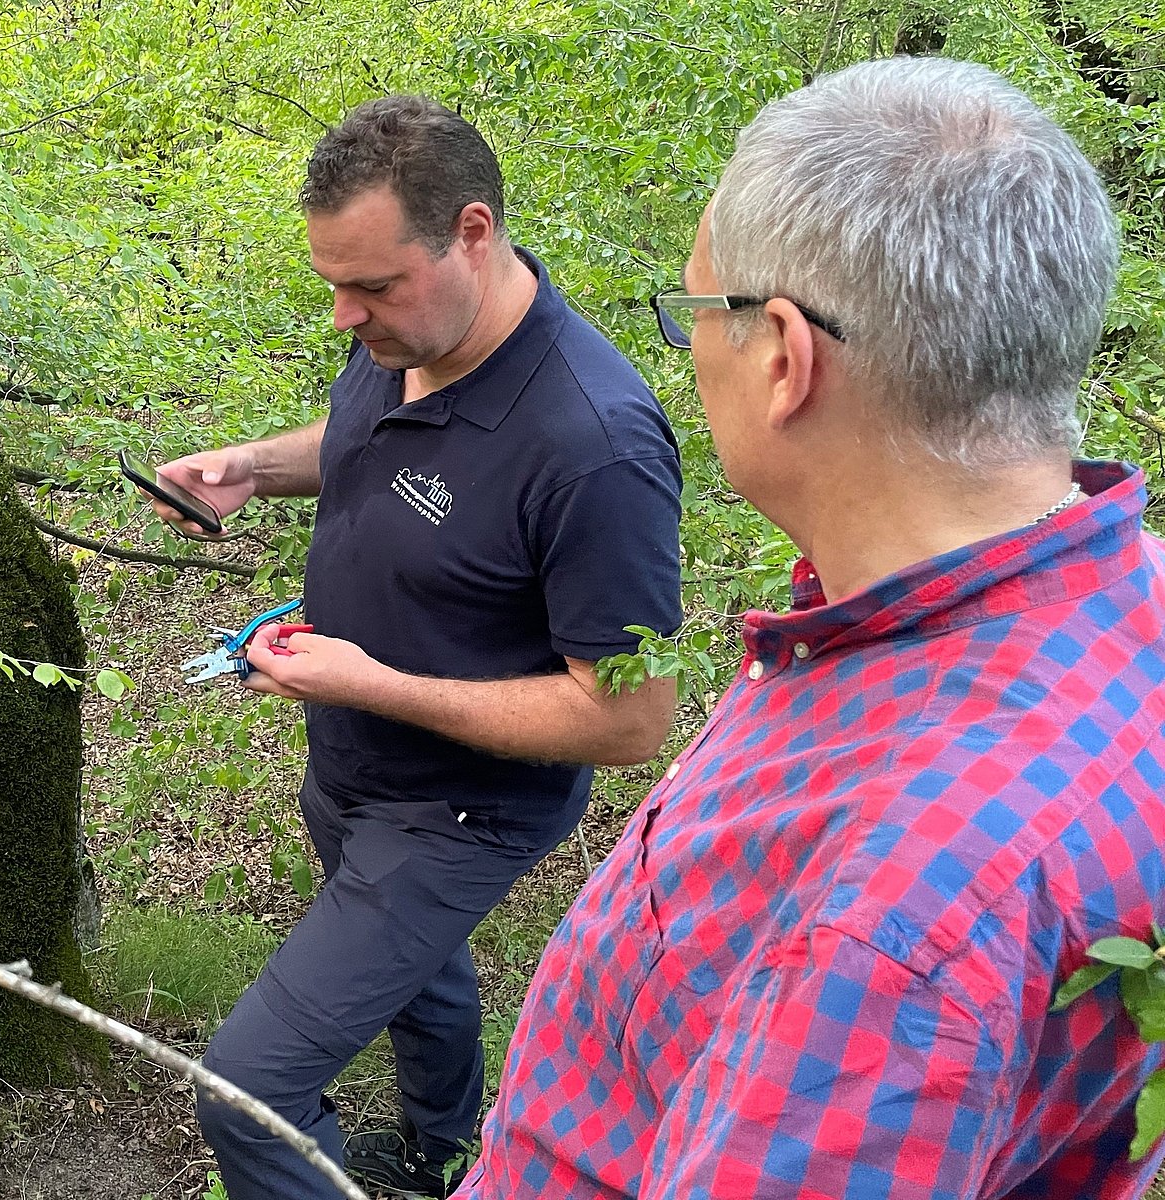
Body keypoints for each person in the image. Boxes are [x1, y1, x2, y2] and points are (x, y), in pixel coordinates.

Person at [456, 56, 1165, 1200]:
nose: (690, 348)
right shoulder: (1124, 599)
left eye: (696, 310)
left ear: (784, 356)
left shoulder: (898, 909)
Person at [145, 96, 683, 1199]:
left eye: (373, 286)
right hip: (352, 764)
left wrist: (374, 683)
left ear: (472, 233)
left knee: (249, 1086)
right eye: (333, 283)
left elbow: (631, 719)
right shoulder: (408, 333)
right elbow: (362, 444)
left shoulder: (596, 448)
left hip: (459, 812)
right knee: (423, 972)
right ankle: (441, 1154)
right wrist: (255, 462)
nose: (347, 316)